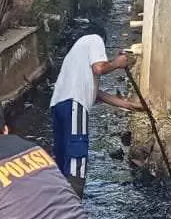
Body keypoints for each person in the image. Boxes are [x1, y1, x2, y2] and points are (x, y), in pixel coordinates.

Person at [49, 33, 140, 196]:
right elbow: (99, 67)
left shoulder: (76, 56)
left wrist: (129, 105)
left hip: (58, 105)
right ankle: (75, 200)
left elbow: (96, 94)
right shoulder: (95, 39)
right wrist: (118, 63)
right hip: (74, 104)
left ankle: (59, 199)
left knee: (62, 155)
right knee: (77, 152)